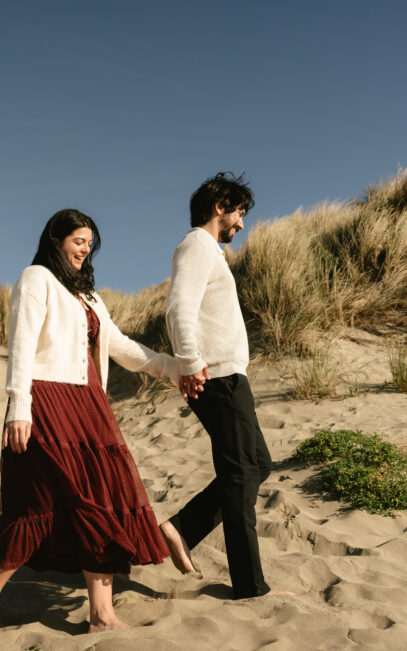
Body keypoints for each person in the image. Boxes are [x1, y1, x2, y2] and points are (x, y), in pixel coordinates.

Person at [0, 209, 178, 635]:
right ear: (57, 240)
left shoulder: (89, 295)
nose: (85, 249)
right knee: (39, 505)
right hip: (47, 399)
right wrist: (18, 406)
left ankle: (101, 614)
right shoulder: (36, 278)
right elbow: (21, 346)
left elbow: (117, 344)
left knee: (101, 499)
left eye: (89, 243)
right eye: (78, 240)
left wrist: (167, 366)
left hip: (89, 405)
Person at [159, 172, 287, 600]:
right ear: (220, 207)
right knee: (239, 476)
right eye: (240, 213)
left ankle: (181, 528)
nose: (242, 224)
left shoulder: (209, 251)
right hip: (216, 376)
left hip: (228, 375)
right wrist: (192, 363)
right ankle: (250, 586)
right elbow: (178, 308)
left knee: (257, 465)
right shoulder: (196, 245)